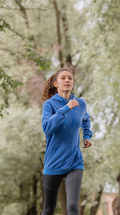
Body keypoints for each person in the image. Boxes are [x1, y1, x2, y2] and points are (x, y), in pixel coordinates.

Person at [41, 68, 93, 215]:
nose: (67, 80)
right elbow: (47, 128)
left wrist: (87, 135)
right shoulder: (49, 105)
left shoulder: (80, 104)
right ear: (56, 83)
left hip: (74, 162)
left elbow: (85, 119)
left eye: (70, 78)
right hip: (53, 162)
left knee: (72, 207)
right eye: (63, 78)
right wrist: (65, 109)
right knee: (48, 209)